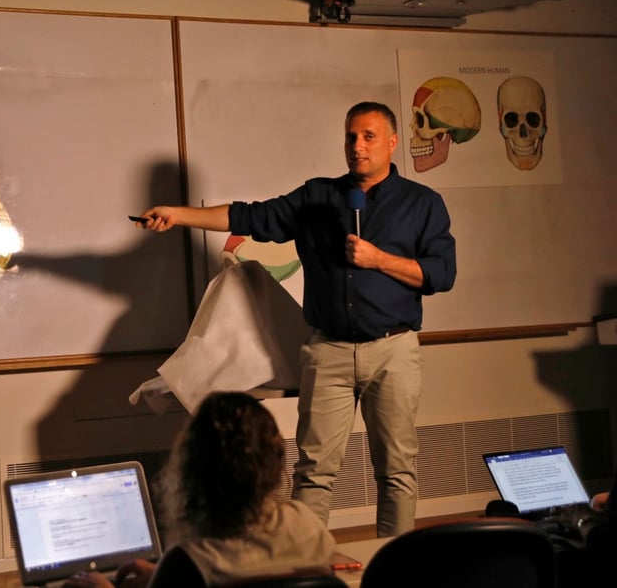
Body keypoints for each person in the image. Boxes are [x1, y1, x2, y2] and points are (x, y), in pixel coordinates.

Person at [134, 102, 457, 537]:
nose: (357, 147)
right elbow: (248, 216)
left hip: (393, 350)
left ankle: (392, 569)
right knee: (314, 471)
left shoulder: (423, 204)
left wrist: (379, 259)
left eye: (368, 137)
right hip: (329, 351)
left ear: (393, 142)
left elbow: (441, 273)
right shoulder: (318, 196)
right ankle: (307, 567)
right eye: (350, 137)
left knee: (397, 471)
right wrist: (179, 214)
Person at [63, 391, 335, 588]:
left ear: (193, 470)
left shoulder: (191, 562)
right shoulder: (308, 526)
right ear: (274, 461)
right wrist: (160, 578)